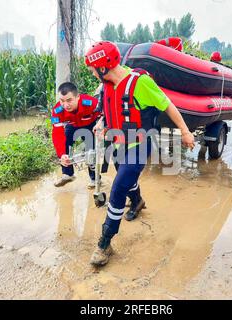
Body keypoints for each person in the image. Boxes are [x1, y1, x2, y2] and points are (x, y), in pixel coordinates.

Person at [84, 41, 195, 267]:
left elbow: (167, 105)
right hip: (117, 143)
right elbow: (109, 109)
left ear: (103, 67)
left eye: (92, 69)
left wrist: (185, 131)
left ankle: (105, 243)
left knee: (116, 190)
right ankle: (137, 202)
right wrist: (103, 122)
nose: (92, 73)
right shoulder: (106, 85)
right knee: (127, 182)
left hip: (140, 146)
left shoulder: (140, 83)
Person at [51, 82, 101, 188]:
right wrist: (61, 154)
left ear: (77, 97)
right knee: (64, 144)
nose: (65, 105)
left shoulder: (90, 103)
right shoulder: (57, 111)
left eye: (69, 100)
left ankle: (95, 179)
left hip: (90, 126)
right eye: (62, 101)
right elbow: (57, 134)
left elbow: (105, 115)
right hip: (72, 126)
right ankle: (68, 174)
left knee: (90, 151)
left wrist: (101, 127)